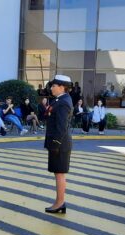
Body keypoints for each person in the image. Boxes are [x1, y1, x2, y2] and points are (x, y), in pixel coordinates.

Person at [44, 75, 73, 214]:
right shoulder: (59, 100)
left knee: (60, 174)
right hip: (58, 143)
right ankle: (59, 202)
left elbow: (62, 127)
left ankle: (60, 203)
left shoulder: (63, 102)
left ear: (62, 87)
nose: (51, 88)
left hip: (60, 144)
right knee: (58, 173)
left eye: (54, 85)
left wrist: (55, 144)